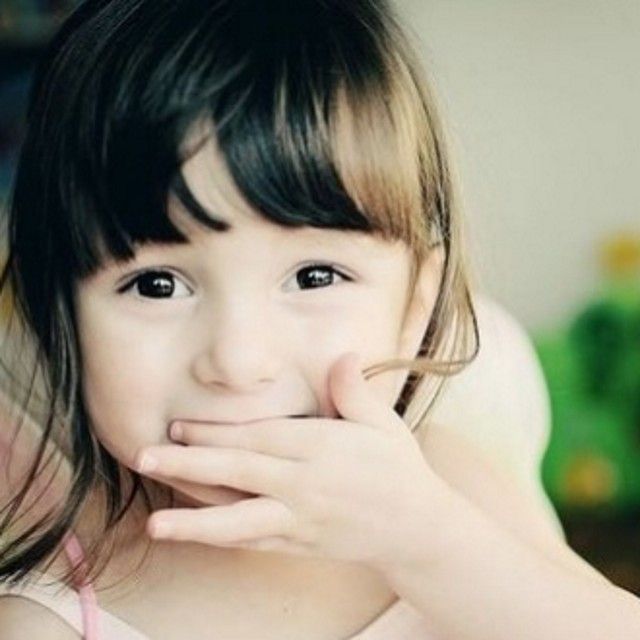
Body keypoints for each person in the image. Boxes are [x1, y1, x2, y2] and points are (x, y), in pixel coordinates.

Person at [0, 1, 638, 638]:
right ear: (60, 317)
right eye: (157, 285)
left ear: (414, 308)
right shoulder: (50, 623)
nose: (239, 362)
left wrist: (429, 543)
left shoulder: (447, 487)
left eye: (314, 276)